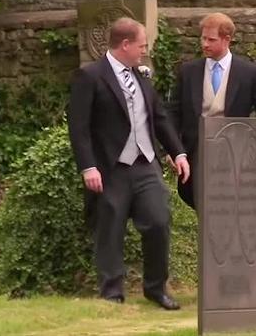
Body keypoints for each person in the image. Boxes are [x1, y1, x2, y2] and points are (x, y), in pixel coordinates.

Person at [68, 17, 190, 310]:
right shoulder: (90, 76)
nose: (144, 51)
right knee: (110, 229)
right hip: (111, 167)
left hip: (146, 164)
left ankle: (155, 288)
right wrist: (88, 166)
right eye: (141, 46)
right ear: (125, 45)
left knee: (159, 220)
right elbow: (78, 126)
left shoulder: (141, 77)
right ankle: (112, 292)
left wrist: (179, 152)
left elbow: (158, 117)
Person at [167, 12, 256, 209]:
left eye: (211, 39)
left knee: (228, 210)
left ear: (227, 39)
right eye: (202, 38)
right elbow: (173, 112)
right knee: (201, 206)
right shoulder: (188, 71)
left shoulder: (248, 73)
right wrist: (174, 148)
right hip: (196, 153)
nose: (204, 44)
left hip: (233, 155)